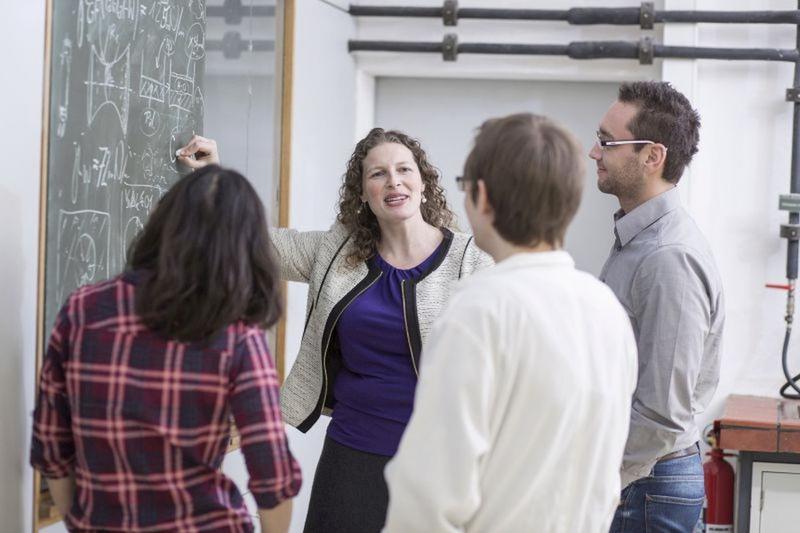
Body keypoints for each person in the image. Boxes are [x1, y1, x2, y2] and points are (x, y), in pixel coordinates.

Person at [177, 130, 492, 532]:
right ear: (362, 194)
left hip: (439, 461)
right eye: (378, 174)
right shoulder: (338, 251)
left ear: (424, 183)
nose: (393, 181)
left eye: (403, 170)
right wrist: (214, 179)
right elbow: (254, 243)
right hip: (353, 453)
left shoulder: (472, 261)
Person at [382, 113, 638, 532]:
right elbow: (605, 479)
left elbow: (428, 495)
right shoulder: (606, 310)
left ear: (481, 197)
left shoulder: (477, 311)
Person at [30, 165, 301, 533]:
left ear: (163, 225)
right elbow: (273, 479)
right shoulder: (236, 336)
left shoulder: (82, 310)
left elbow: (51, 451)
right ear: (245, 249)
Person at [589, 81, 725, 531]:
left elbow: (662, 413)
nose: (594, 152)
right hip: (641, 483)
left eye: (607, 142)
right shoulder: (637, 238)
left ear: (652, 156)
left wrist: (599, 476)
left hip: (644, 487)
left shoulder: (668, 258)